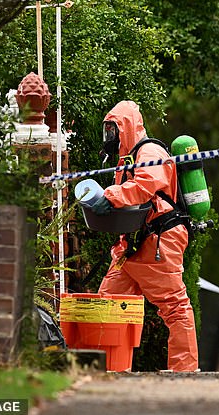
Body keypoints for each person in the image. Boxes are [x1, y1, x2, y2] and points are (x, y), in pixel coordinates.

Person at [91, 100, 198, 372]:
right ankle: (110, 368)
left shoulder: (149, 151)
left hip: (160, 239)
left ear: (125, 127)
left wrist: (109, 196)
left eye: (112, 130)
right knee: (109, 302)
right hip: (136, 245)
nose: (109, 137)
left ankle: (184, 372)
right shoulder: (126, 159)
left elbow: (143, 187)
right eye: (107, 131)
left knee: (174, 307)